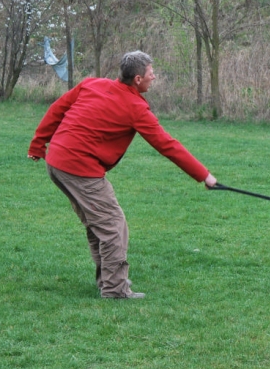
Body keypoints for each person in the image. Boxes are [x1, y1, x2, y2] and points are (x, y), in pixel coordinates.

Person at [28, 51, 217, 299]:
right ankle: (115, 289)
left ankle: (107, 282)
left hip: (57, 163)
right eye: (151, 74)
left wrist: (38, 145)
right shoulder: (135, 108)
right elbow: (167, 145)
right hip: (79, 168)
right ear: (138, 79)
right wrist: (204, 176)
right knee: (113, 226)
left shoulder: (91, 84)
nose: (154, 77)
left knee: (100, 224)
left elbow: (56, 109)